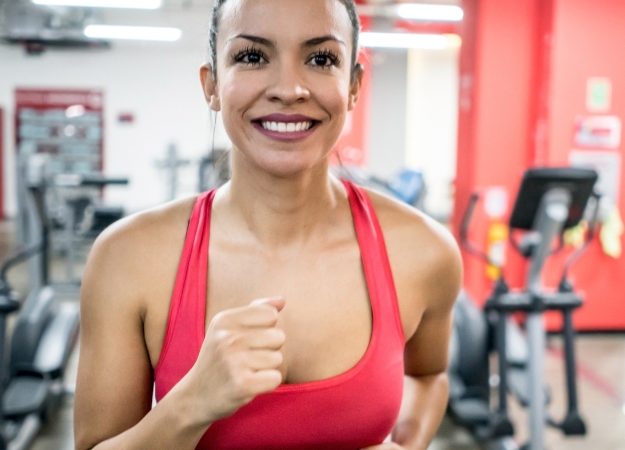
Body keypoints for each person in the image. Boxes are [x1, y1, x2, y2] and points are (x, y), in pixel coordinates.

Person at [73, 0, 462, 448]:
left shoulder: (423, 251)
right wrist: (190, 404)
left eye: (321, 59)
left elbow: (428, 375)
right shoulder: (128, 258)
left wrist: (406, 443)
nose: (289, 88)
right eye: (253, 56)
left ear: (353, 86)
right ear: (212, 85)